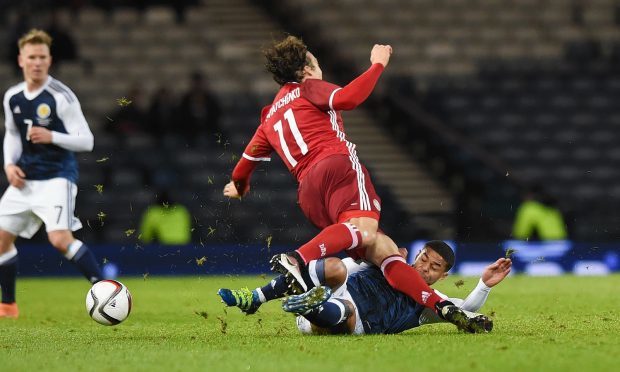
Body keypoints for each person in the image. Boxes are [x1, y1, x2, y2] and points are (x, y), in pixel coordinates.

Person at [223, 36, 460, 325]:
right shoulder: (308, 88)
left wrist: (240, 187)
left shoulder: (270, 116)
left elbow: (243, 168)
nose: (319, 67)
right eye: (316, 62)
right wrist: (378, 64)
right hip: (336, 166)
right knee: (366, 230)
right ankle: (296, 260)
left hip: (308, 191)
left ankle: (442, 306)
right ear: (305, 70)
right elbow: (348, 98)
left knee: (381, 248)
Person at [0, 29, 102, 318]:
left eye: (42, 57)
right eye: (31, 57)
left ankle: (106, 288)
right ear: (21, 60)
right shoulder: (12, 97)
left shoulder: (61, 96)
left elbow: (87, 140)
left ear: (50, 60)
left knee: (59, 238)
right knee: (0, 240)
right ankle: (8, 305)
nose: (37, 62)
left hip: (57, 177)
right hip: (25, 179)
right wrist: (9, 165)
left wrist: (53, 136)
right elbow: (11, 133)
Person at [219, 240, 511, 334]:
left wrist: (484, 283)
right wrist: (377, 256)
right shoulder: (388, 263)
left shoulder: (431, 303)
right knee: (333, 266)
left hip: (356, 319)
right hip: (341, 290)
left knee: (345, 311)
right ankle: (256, 296)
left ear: (443, 276)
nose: (424, 268)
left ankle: (311, 306)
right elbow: (345, 267)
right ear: (418, 254)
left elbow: (465, 309)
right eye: (424, 259)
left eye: (434, 268)